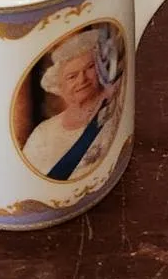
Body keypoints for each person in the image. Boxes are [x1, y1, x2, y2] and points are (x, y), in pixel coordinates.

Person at [21, 28, 122, 181]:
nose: (82, 80)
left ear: (101, 70)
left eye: (89, 68)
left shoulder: (115, 106)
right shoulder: (43, 134)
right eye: (72, 77)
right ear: (59, 86)